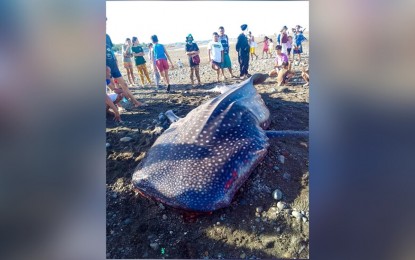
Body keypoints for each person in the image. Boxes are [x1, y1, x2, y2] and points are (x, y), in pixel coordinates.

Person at [106, 31, 143, 107]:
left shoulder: (107, 36)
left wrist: (115, 61)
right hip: (106, 67)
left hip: (113, 65)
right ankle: (119, 106)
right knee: (112, 86)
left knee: (124, 85)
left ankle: (136, 102)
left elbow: (110, 50)